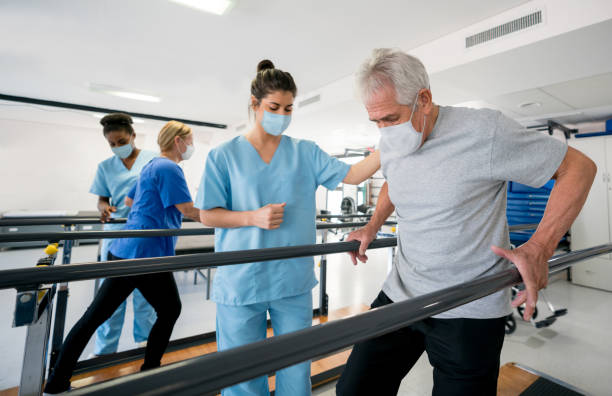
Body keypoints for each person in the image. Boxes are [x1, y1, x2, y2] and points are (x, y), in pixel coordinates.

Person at [336, 48, 597, 396]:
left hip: (469, 304)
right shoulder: (392, 140)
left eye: (391, 118)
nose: (385, 130)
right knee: (354, 390)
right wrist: (372, 225)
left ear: (424, 99)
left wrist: (539, 247)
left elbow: (578, 169)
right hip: (402, 292)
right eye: (377, 122)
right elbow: (394, 182)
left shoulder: (484, 131)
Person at [196, 60, 380, 396]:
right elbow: (207, 214)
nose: (282, 114)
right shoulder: (223, 156)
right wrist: (251, 217)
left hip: (290, 279)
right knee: (241, 374)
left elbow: (353, 175)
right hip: (242, 278)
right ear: (254, 105)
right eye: (274, 107)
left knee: (296, 371)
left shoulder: (304, 152)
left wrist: (391, 144)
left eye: (288, 108)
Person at [44, 120, 201, 394]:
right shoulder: (169, 167)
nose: (191, 146)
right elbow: (188, 209)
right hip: (146, 254)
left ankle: (57, 382)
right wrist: (231, 217)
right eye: (189, 141)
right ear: (178, 141)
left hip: (127, 249)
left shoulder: (151, 166)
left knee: (96, 317)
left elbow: (129, 202)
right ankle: (150, 370)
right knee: (169, 309)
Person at [89, 113, 157, 355]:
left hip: (145, 234)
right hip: (116, 235)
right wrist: (103, 208)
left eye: (121, 141)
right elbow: (101, 199)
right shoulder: (105, 167)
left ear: (133, 136)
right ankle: (104, 352)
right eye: (112, 144)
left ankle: (146, 345)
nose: (117, 147)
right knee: (110, 300)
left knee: (145, 297)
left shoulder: (153, 160)